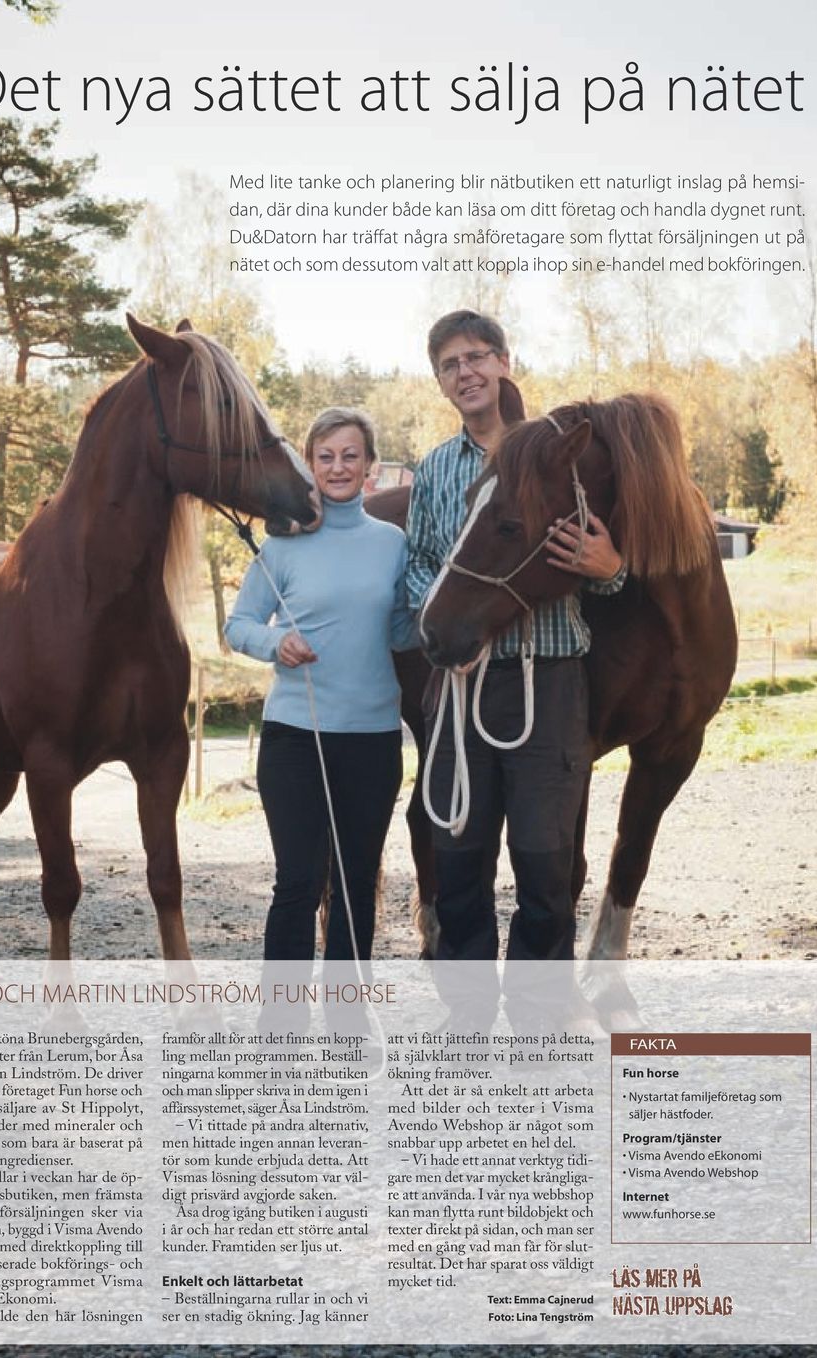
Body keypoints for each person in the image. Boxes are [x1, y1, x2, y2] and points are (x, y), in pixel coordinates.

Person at [405, 311, 626, 1016]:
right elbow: (418, 565)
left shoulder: (562, 455)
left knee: (544, 863)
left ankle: (537, 1022)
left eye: (476, 357)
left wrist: (611, 567)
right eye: (449, 364)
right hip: (461, 691)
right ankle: (467, 1019)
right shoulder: (438, 467)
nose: (465, 372)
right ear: (440, 381)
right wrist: (444, 632)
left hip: (550, 683)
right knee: (459, 861)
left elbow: (604, 570)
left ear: (504, 361)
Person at [225, 407, 419, 962]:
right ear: (309, 466)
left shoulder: (392, 543)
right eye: (326, 456)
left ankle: (348, 1019)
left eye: (350, 456)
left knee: (357, 884)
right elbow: (237, 625)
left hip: (373, 739)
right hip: (294, 739)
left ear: (370, 468)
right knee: (298, 884)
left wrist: (446, 623)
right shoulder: (283, 545)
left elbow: (402, 632)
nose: (338, 467)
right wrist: (275, 643)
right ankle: (280, 1026)